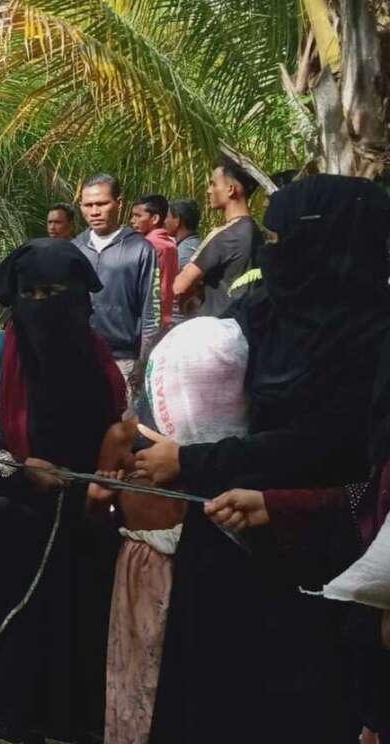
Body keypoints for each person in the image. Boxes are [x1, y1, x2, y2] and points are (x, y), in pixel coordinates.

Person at [135, 175, 390, 743]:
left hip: (321, 552)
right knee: (214, 694)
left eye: (283, 237)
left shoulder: (372, 339)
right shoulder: (266, 305)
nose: (272, 251)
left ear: (334, 242)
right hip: (227, 533)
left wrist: (197, 462)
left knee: (295, 704)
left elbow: (328, 441)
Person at [0, 239, 126, 744]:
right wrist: (18, 469)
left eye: (53, 292)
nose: (41, 305)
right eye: (31, 293)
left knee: (78, 630)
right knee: (14, 630)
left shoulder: (99, 358)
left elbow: (117, 430)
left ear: (78, 297)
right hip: (18, 520)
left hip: (86, 522)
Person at [88, 316, 250, 744]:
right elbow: (98, 509)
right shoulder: (125, 437)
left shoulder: (233, 451)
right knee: (142, 675)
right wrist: (98, 497)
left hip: (207, 579)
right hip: (145, 578)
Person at [73, 173, 159, 391]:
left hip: (123, 362)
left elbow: (151, 312)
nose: (94, 211)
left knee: (121, 423)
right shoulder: (75, 249)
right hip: (79, 358)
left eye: (101, 204)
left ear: (118, 204)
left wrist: (144, 362)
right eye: (88, 205)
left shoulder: (141, 250)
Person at [172, 157, 263, 317]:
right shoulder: (258, 231)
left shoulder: (226, 235)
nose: (209, 190)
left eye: (213, 184)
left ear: (230, 189)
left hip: (217, 327)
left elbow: (180, 285)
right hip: (247, 324)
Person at [130, 194, 179, 329]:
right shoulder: (170, 244)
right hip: (164, 315)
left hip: (148, 318)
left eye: (138, 216)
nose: (132, 220)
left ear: (155, 218)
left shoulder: (148, 245)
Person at [165, 198, 201, 270]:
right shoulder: (197, 244)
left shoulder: (183, 254)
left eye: (166, 217)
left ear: (177, 221)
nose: (163, 221)